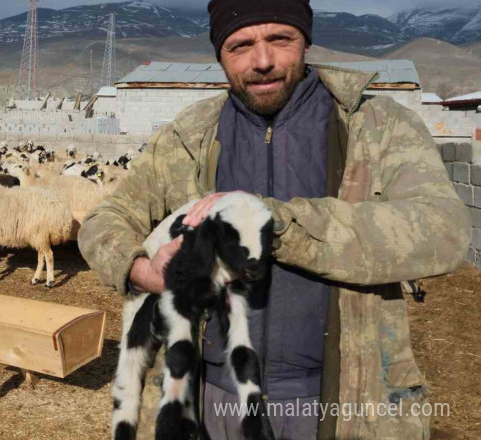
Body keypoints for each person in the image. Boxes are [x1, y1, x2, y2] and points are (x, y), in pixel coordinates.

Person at [77, 0, 471, 438]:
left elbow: (443, 231)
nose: (262, 61)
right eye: (240, 45)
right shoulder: (188, 137)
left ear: (305, 39)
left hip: (343, 402)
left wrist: (269, 223)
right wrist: (142, 270)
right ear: (219, 55)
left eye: (279, 39)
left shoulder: (377, 128)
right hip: (211, 398)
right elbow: (103, 220)